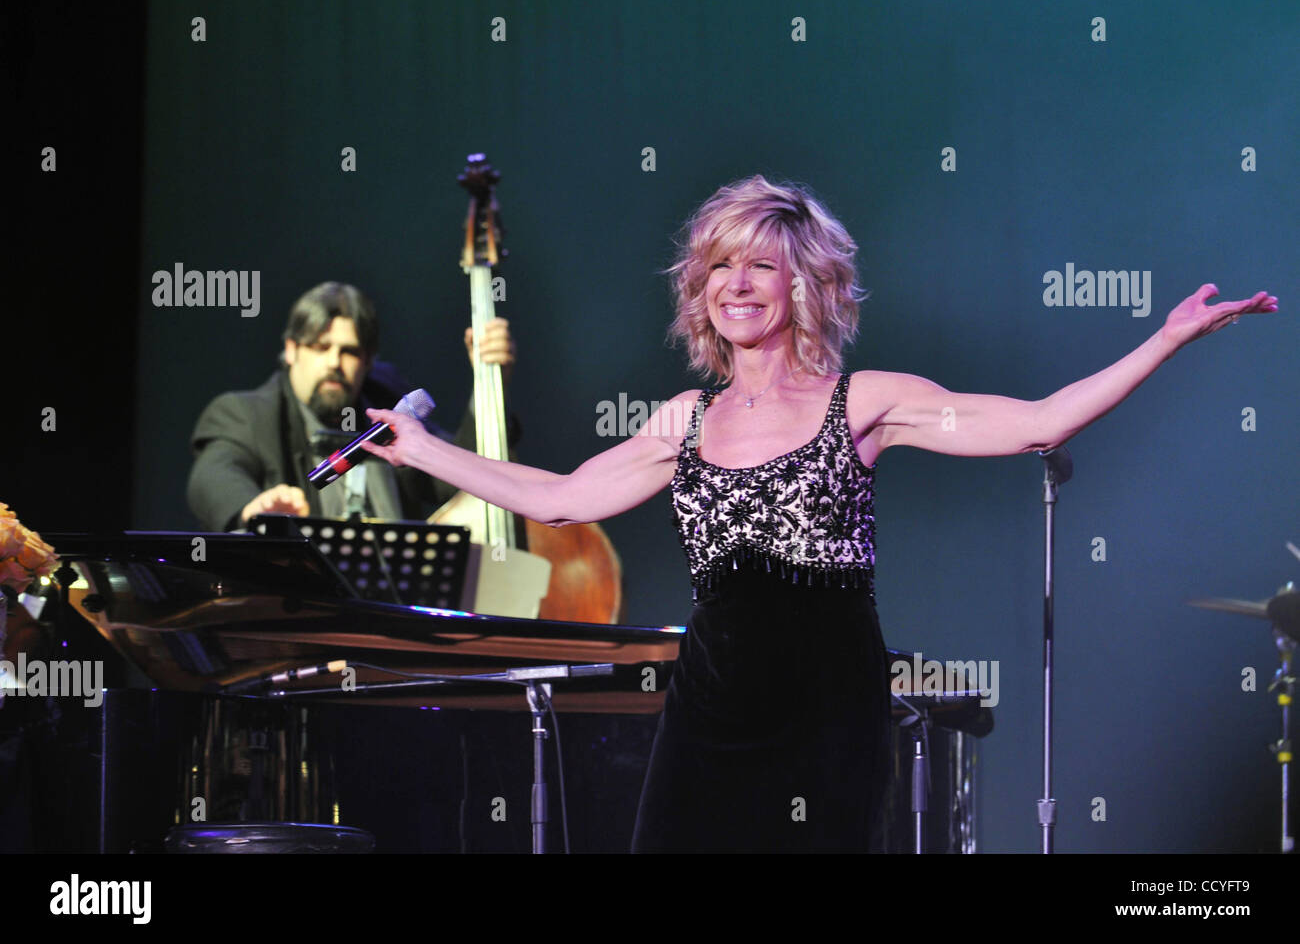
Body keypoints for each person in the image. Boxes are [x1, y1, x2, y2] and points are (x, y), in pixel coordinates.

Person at [356, 175, 1278, 852]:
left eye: (763, 264)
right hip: (709, 716)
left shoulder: (865, 401)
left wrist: (1163, 339)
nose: (739, 282)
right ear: (700, 290)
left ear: (805, 286)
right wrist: (421, 447)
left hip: (827, 715)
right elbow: (559, 497)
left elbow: (1036, 423)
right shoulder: (683, 423)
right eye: (722, 265)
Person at [186, 281, 519, 532]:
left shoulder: (389, 408)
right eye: (320, 347)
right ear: (291, 351)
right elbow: (212, 476)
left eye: (349, 351)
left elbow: (460, 474)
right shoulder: (248, 415)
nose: (334, 362)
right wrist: (251, 508)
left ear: (368, 361)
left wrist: (490, 384)